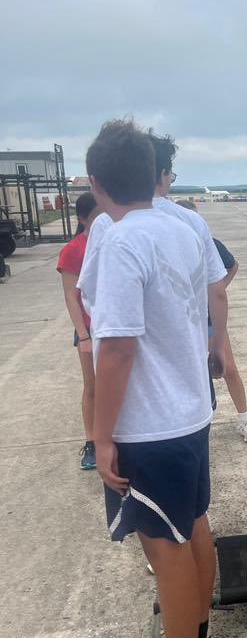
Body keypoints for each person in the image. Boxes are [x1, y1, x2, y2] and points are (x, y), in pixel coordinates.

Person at [88, 119, 220, 638]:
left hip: (150, 423)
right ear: (153, 173)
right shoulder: (182, 226)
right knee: (193, 526)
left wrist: (101, 433)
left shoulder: (119, 240)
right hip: (190, 411)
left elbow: (114, 348)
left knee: (163, 547)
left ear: (95, 183)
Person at [176, 199, 247, 443]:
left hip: (210, 318)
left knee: (228, 368)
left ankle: (245, 420)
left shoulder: (210, 244)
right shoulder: (172, 245)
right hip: (184, 319)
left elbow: (232, 265)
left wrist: (218, 289)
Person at [147, 132, 230, 378]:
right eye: (170, 175)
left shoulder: (107, 223)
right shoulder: (191, 221)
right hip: (188, 367)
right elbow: (217, 292)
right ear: (163, 174)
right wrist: (217, 347)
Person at [56, 192, 102, 470]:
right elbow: (71, 297)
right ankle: (92, 441)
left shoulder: (115, 242)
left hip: (114, 326)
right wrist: (83, 335)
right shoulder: (74, 250)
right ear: (82, 219)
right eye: (96, 217)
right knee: (93, 387)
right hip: (88, 328)